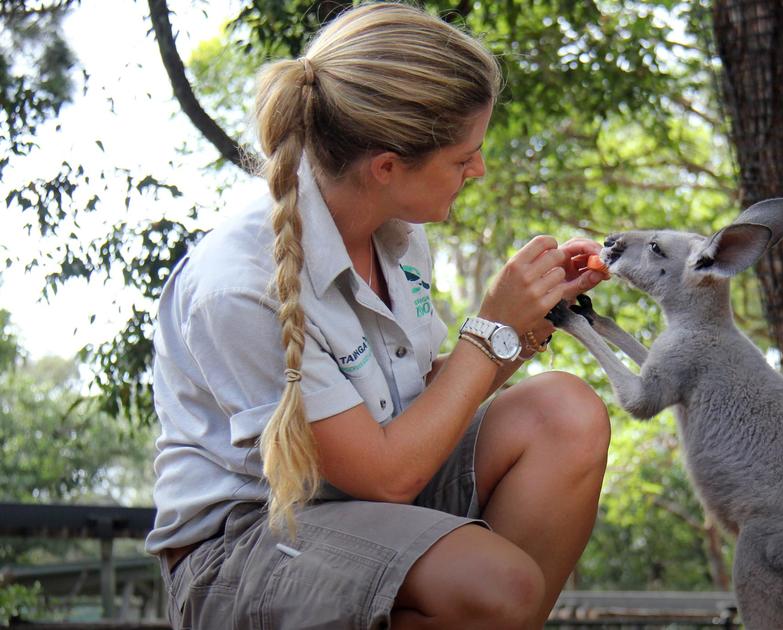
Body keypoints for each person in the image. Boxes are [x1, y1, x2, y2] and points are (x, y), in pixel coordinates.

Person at [144, 3, 611, 628]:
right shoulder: (238, 285)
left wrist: (524, 325)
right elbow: (383, 474)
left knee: (565, 413)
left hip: (371, 497)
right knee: (495, 585)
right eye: (462, 157)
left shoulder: (397, 232)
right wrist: (490, 330)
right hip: (248, 542)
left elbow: (413, 406)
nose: (478, 169)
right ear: (386, 166)